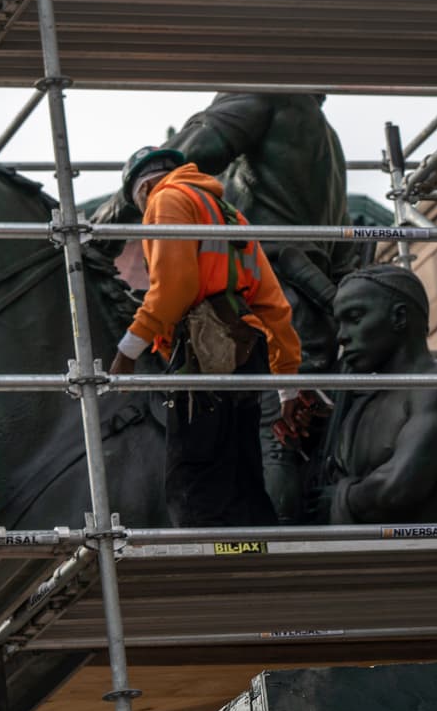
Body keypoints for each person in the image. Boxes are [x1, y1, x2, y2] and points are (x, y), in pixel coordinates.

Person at [108, 146, 306, 527]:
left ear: (143, 189)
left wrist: (128, 349)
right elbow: (274, 306)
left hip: (204, 353)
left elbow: (174, 288)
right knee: (243, 476)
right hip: (245, 351)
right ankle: (257, 552)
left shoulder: (164, 199)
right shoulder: (230, 216)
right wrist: (287, 388)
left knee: (192, 481)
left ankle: (210, 556)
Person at [320, 265, 437, 524]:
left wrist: (341, 498)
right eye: (340, 323)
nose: (341, 336)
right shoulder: (361, 405)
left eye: (354, 318)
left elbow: (397, 487)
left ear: (399, 317)